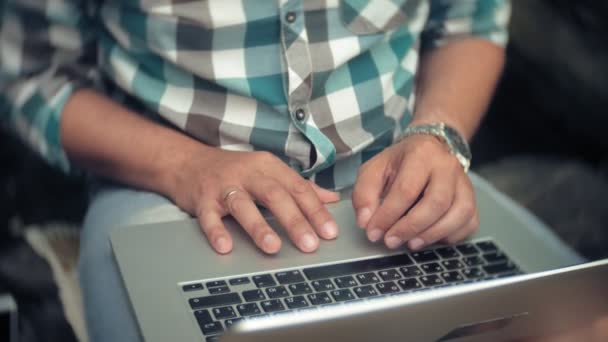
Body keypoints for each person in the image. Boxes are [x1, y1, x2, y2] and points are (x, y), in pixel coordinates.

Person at [0, 0, 510, 340]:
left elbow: (471, 22)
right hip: (170, 190)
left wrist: (438, 135)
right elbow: (35, 76)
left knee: (576, 320)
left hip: (396, 197)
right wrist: (187, 165)